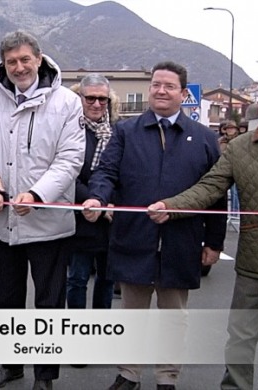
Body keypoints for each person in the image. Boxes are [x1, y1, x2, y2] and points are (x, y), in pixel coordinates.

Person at [147, 79, 258, 390]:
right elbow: (209, 188)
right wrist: (170, 206)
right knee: (240, 338)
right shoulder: (239, 148)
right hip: (255, 258)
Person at [82, 61, 227, 390]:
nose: (161, 91)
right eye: (156, 85)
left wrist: (214, 243)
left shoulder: (203, 138)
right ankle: (129, 373)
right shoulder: (125, 132)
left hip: (181, 241)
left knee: (173, 318)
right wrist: (97, 198)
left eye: (169, 86)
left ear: (183, 92)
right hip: (134, 238)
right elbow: (106, 173)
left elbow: (217, 194)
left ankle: (166, 377)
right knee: (132, 314)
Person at [0, 30, 85, 390]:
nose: (18, 68)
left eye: (24, 60)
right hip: (5, 222)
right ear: (3, 63)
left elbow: (70, 160)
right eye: (10, 62)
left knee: (49, 303)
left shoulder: (66, 102)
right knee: (8, 300)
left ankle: (45, 376)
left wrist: (36, 194)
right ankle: (11, 365)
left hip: (49, 222)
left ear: (39, 58)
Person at [66, 74, 118, 312]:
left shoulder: (118, 132)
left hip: (109, 219)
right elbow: (66, 173)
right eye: (91, 98)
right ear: (79, 98)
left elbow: (123, 173)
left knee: (107, 280)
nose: (97, 104)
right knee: (77, 279)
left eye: (102, 99)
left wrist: (107, 203)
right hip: (80, 218)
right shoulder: (68, 130)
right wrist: (91, 200)